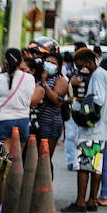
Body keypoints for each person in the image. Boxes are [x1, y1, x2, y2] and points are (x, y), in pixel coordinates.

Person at [66, 45, 107, 211]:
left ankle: (81, 202)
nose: (81, 69)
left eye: (82, 65)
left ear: (89, 61)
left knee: (83, 166)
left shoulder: (98, 76)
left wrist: (80, 108)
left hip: (91, 130)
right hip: (101, 131)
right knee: (96, 166)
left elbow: (98, 100)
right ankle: (92, 200)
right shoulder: (104, 75)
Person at [29, 37, 68, 165]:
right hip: (36, 123)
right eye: (47, 61)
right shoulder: (37, 76)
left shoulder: (60, 80)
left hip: (50, 124)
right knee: (33, 160)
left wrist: (45, 84)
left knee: (45, 160)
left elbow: (57, 100)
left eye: (53, 62)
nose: (48, 64)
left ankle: (46, 185)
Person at [0, 48, 36, 152]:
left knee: (3, 158)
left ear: (6, 61)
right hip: (23, 121)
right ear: (21, 61)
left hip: (1, 121)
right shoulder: (30, 78)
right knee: (17, 160)